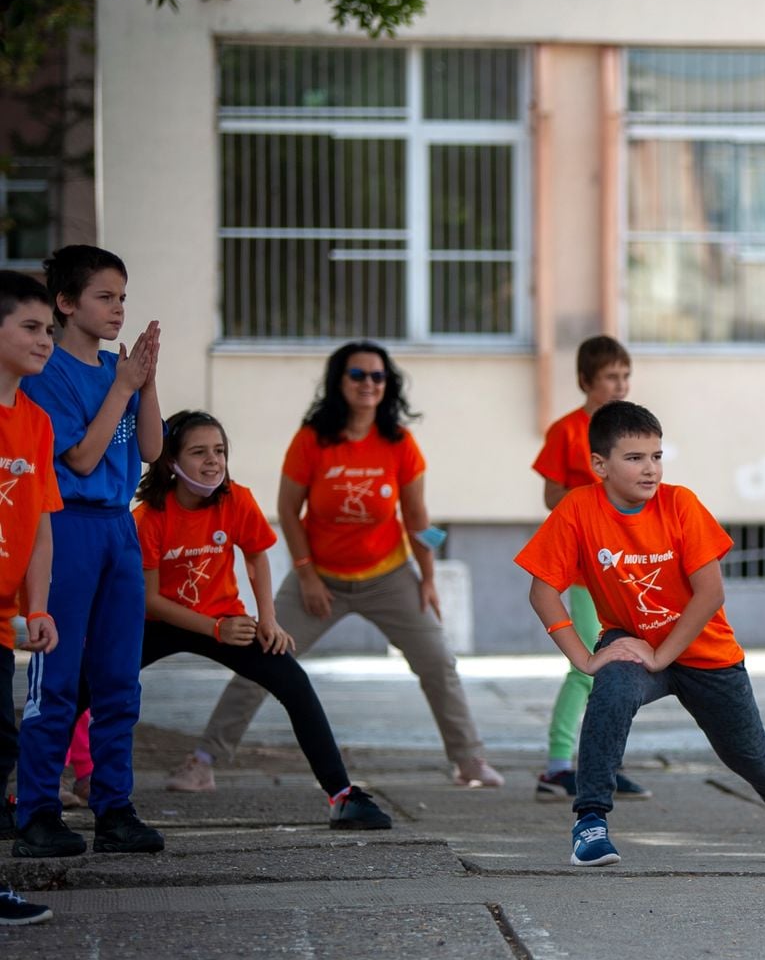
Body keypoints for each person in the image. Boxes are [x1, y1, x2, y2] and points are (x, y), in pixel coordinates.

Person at [181, 343, 501, 789]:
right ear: (339, 380)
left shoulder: (399, 443)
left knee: (437, 661)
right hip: (321, 581)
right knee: (261, 659)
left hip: (389, 576)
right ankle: (202, 761)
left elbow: (418, 519)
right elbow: (288, 511)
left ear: (387, 385)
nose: (368, 384)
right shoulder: (312, 439)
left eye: (377, 376)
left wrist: (427, 578)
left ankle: (468, 760)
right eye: (357, 374)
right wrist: (307, 575)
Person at [516, 401, 765, 867]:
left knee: (747, 753)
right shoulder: (578, 509)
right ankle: (590, 819)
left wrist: (661, 655)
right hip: (631, 642)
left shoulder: (680, 504)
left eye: (656, 456)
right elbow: (543, 592)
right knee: (609, 691)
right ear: (600, 465)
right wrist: (585, 659)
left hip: (706, 652)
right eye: (634, 458)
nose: (650, 469)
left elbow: (710, 593)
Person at [140, 411, 390, 829]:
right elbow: (148, 598)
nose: (213, 461)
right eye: (199, 452)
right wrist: (213, 629)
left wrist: (267, 619)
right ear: (171, 462)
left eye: (219, 451)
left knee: (293, 680)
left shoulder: (235, 498)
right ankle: (38, 792)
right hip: (160, 621)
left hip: (224, 618)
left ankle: (343, 796)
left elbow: (256, 555)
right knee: (87, 686)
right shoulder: (149, 517)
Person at [12, 246, 164, 858]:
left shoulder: (118, 368)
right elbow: (79, 457)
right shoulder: (48, 372)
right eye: (104, 297)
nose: (117, 309)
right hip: (68, 525)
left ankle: (114, 806)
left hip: (117, 529)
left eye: (123, 297)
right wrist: (122, 387)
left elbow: (151, 450)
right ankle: (37, 809)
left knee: (119, 677)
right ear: (66, 303)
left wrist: (145, 383)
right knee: (58, 679)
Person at [530, 334, 642, 801]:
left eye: (625, 376)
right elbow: (551, 496)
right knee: (588, 666)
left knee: (625, 663)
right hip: (583, 567)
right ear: (585, 381)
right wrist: (596, 489)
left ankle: (603, 765)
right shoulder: (566, 430)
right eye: (610, 377)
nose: (620, 385)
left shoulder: (632, 429)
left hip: (626, 562)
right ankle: (558, 765)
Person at [0, 271, 61, 917]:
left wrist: (36, 605)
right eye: (31, 327)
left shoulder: (37, 423)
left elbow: (40, 526)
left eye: (49, 329)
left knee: (2, 740)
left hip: (4, 618)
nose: (45, 340)